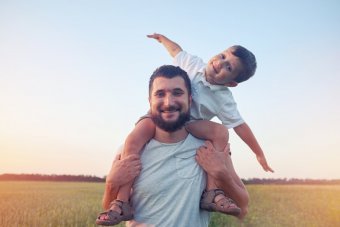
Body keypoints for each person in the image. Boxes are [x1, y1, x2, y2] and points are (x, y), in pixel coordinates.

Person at [96, 65, 249, 226]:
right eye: (160, 94)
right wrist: (111, 184)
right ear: (150, 101)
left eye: (177, 93)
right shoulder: (129, 150)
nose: (168, 102)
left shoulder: (209, 150)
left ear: (189, 99)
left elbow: (243, 206)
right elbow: (111, 208)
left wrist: (221, 173)